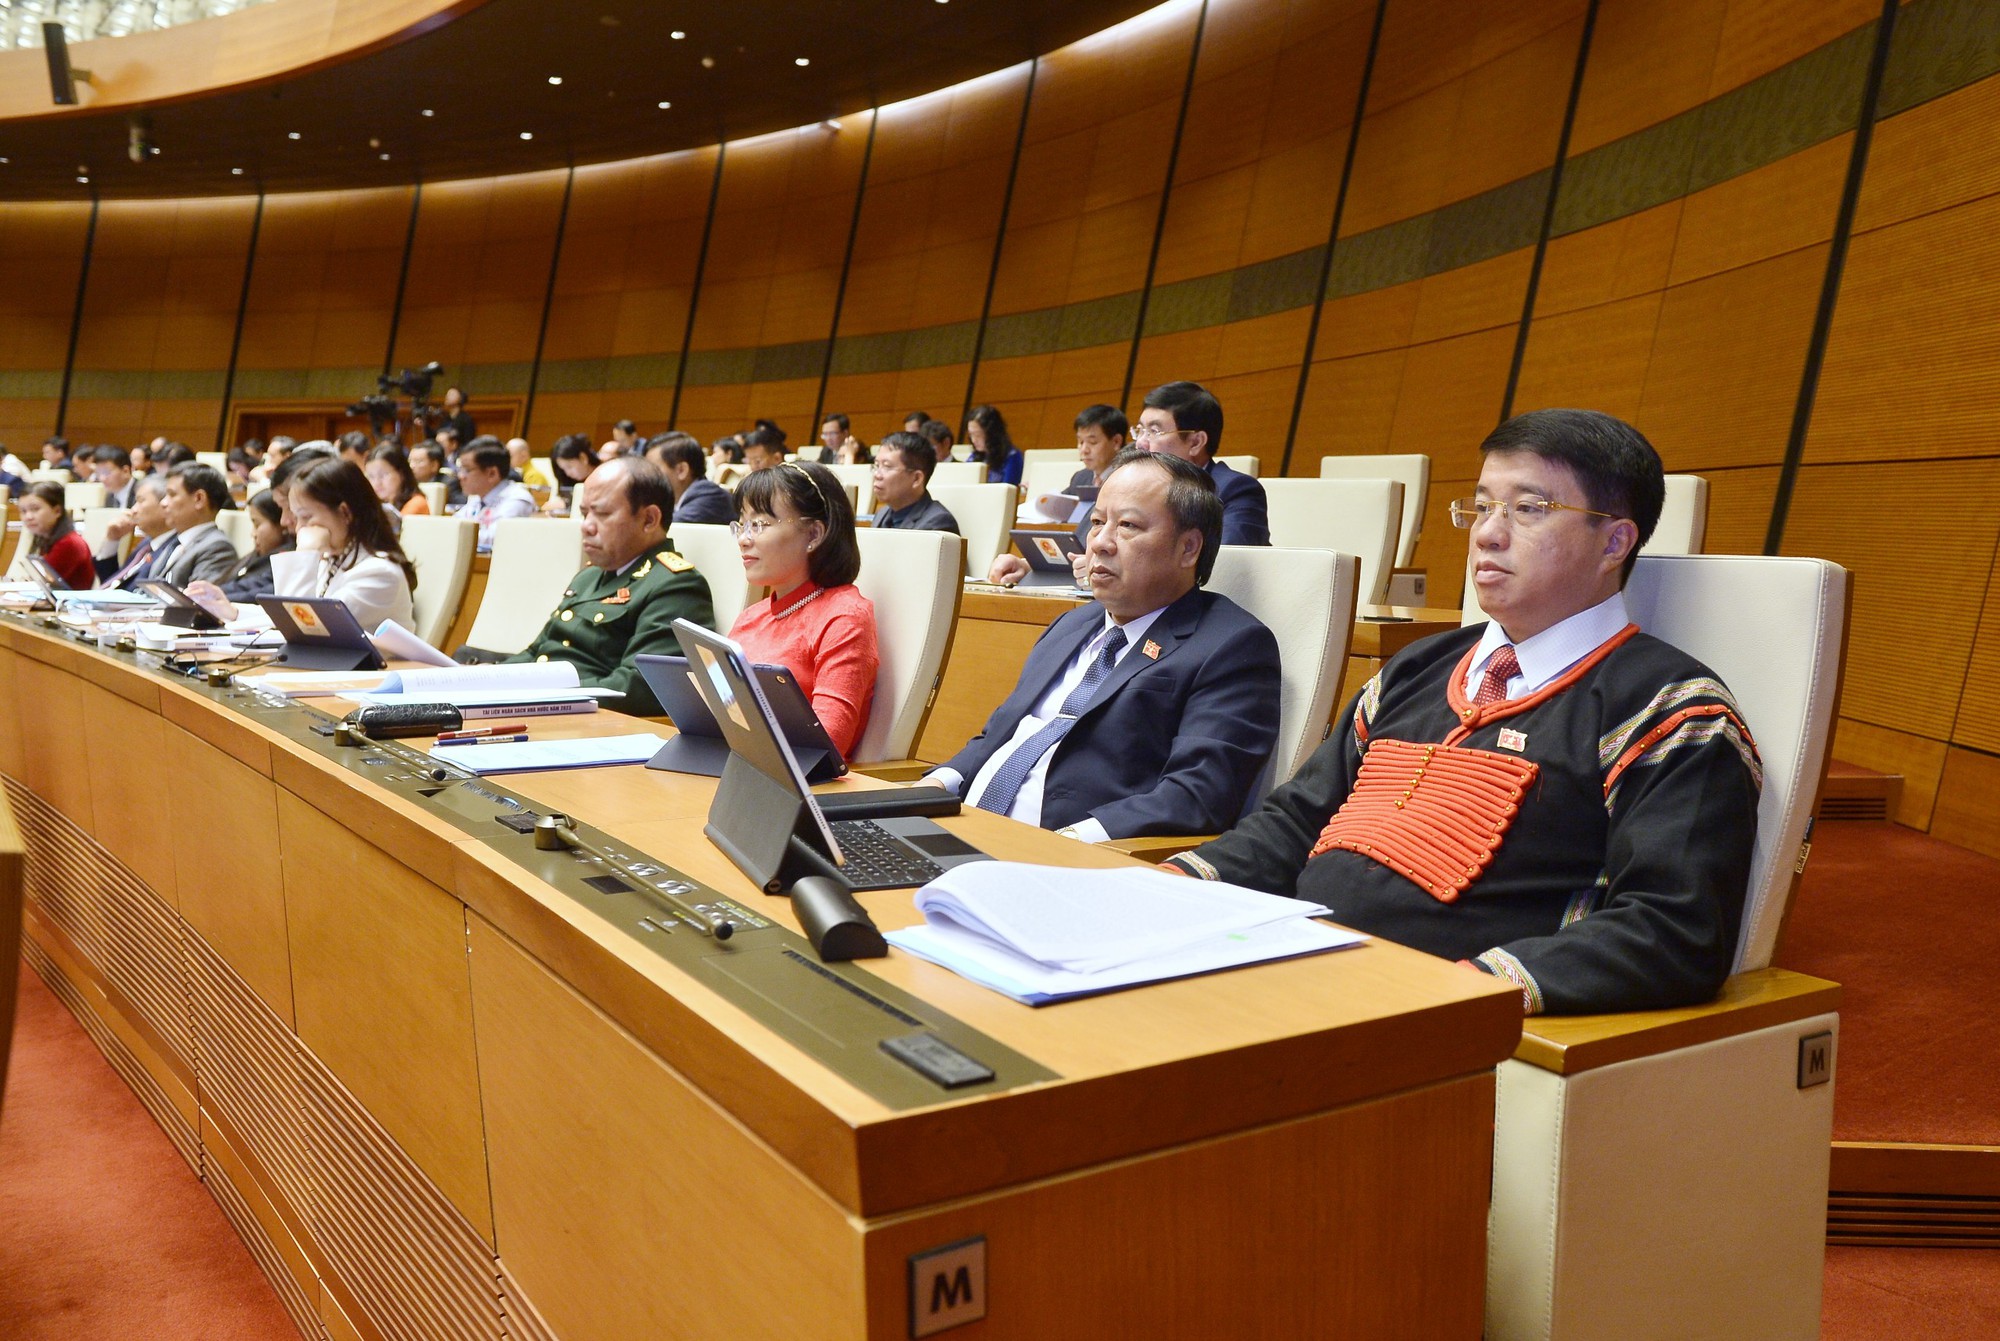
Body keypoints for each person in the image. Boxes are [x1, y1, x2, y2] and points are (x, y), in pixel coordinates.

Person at [1163, 409, 1760, 1016]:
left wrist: (1465, 992)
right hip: (1289, 969)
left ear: (1614, 542)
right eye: (1481, 507)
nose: (1487, 534)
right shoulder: (1419, 666)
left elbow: (1672, 929)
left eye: (1528, 509)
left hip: (1431, 1023)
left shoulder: (1670, 709)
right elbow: (1296, 821)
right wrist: (1172, 887)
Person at [925, 450, 1280, 842]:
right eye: (1096, 522)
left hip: (1067, 859)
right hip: (959, 830)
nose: (1100, 543)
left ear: (1189, 548)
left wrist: (1072, 841)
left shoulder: (1232, 646)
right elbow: (1000, 735)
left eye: (1127, 525)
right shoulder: (1071, 624)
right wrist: (935, 786)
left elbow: (1196, 796)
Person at [492, 457, 717, 715]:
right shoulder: (589, 576)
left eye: (603, 514)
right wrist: (488, 682)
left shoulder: (676, 585)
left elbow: (641, 688)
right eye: (585, 512)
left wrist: (537, 699)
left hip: (592, 724)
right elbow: (537, 651)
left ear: (649, 519)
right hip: (549, 711)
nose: (586, 526)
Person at [728, 461, 878, 759]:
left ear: (814, 535)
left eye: (758, 524)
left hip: (799, 790)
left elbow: (825, 745)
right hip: (734, 765)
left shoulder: (844, 617)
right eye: (741, 524)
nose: (744, 539)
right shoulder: (751, 616)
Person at [190, 458, 416, 632]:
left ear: (345, 512)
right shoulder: (334, 558)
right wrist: (233, 612)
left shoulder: (379, 573)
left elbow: (301, 628)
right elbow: (290, 619)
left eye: (306, 517)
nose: (298, 528)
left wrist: (305, 553)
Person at [985, 402, 1131, 586]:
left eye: (1092, 442)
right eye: (1080, 441)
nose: (1084, 449)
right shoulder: (1081, 477)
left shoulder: (1126, 480)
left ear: (1117, 441)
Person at [151, 463, 241, 587]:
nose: (163, 503)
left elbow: (197, 602)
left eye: (172, 494)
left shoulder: (217, 548)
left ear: (199, 499)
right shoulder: (174, 541)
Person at [454, 437, 538, 549]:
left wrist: (453, 535)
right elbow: (453, 525)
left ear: (492, 474)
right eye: (460, 469)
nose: (461, 476)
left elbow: (496, 537)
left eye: (467, 470)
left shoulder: (517, 499)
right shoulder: (478, 499)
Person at [868, 432, 958, 533]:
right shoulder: (882, 513)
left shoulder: (938, 523)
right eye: (876, 465)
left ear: (916, 479)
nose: (877, 475)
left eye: (887, 466)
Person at [94, 475, 172, 587]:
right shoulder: (147, 544)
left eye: (141, 501)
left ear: (165, 505)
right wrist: (112, 540)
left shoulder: (174, 548)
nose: (133, 510)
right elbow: (110, 583)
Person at [217, 491, 290, 603]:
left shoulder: (287, 559)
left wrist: (218, 598)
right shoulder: (254, 556)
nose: (253, 534)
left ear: (281, 523)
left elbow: (261, 589)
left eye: (257, 524)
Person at [646, 433, 733, 525]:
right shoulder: (679, 497)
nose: (647, 475)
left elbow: (664, 529)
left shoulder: (711, 497)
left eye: (654, 469)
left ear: (681, 470)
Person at [19, 482, 94, 589]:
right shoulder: (47, 539)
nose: (28, 516)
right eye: (23, 511)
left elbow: (44, 585)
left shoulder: (69, 544)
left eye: (35, 509)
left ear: (57, 511)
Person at [965, 404, 1021, 487]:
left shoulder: (1012, 456)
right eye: (971, 435)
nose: (973, 440)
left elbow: (1007, 491)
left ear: (991, 433)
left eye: (978, 434)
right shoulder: (974, 456)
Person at [366, 443, 429, 516]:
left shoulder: (417, 503)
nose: (376, 483)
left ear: (401, 474)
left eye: (383, 475)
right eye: (371, 476)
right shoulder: (376, 503)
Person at [545, 433, 595, 513]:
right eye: (563, 469)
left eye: (569, 467)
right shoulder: (568, 480)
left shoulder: (604, 476)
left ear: (583, 458)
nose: (567, 473)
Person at [94, 445, 138, 510]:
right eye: (98, 472)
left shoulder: (141, 492)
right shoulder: (109, 496)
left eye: (106, 472)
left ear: (125, 471)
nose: (102, 478)